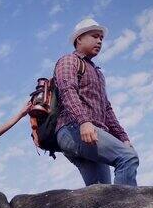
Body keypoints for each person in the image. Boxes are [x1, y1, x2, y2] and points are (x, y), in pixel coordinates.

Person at [55, 18, 139, 186]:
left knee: (102, 192)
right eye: (95, 36)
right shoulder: (69, 60)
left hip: (92, 133)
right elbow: (67, 90)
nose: (99, 41)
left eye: (101, 38)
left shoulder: (98, 73)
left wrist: (123, 138)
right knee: (128, 157)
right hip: (74, 129)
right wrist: (84, 122)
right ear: (79, 39)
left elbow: (107, 109)